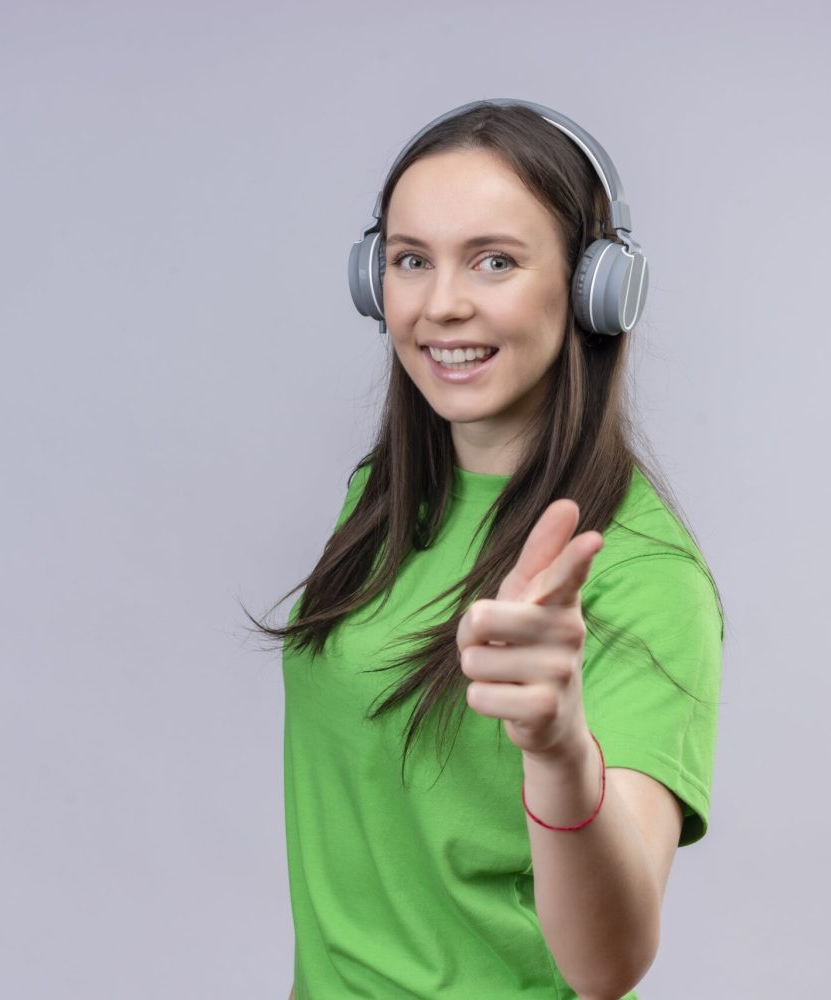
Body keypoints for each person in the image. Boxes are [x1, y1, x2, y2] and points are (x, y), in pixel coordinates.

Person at [246, 98, 725, 1000]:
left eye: (495, 260)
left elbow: (609, 964)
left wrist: (559, 748)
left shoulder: (641, 576)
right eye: (410, 260)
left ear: (593, 288)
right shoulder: (386, 499)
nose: (442, 305)